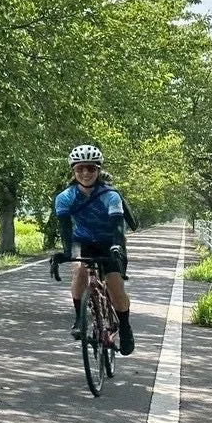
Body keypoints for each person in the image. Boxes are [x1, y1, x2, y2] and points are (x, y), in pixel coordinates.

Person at [53, 144, 133, 355]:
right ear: (74, 171)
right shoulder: (65, 197)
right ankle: (79, 319)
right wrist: (66, 252)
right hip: (82, 241)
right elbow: (65, 229)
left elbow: (117, 225)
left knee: (116, 290)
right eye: (80, 168)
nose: (85, 173)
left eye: (90, 168)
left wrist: (116, 246)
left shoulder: (110, 196)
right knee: (79, 269)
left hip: (110, 241)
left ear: (98, 170)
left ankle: (125, 327)